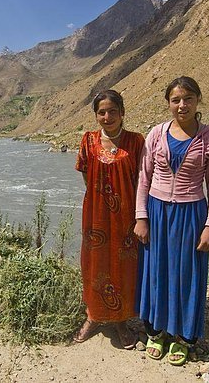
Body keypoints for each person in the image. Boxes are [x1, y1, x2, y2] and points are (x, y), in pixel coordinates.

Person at [134, 76, 209, 366]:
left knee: (187, 274)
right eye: (176, 100)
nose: (182, 105)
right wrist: (141, 217)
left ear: (198, 100)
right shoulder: (156, 134)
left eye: (188, 98)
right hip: (157, 212)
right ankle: (156, 331)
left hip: (191, 215)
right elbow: (144, 179)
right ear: (168, 103)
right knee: (156, 271)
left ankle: (184, 337)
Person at [74, 89, 145, 349]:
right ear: (96, 116)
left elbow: (143, 180)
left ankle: (121, 320)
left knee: (124, 268)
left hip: (126, 217)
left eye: (112, 111)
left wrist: (140, 215)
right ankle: (93, 317)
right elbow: (85, 174)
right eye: (101, 112)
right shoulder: (88, 140)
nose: (107, 116)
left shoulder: (136, 141)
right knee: (95, 265)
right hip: (96, 216)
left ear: (122, 113)